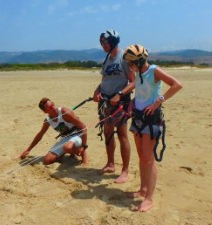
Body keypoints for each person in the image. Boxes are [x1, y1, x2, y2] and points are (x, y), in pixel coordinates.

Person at [123, 44, 183, 212]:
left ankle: (149, 198)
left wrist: (159, 101)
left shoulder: (154, 71)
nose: (129, 67)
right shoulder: (138, 73)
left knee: (148, 160)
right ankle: (143, 189)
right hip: (138, 118)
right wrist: (132, 103)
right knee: (142, 157)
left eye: (130, 63)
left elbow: (177, 84)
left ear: (138, 61)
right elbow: (141, 92)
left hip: (151, 121)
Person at [93, 29, 135, 183]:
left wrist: (119, 94)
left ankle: (125, 170)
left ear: (112, 42)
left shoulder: (124, 58)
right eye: (101, 43)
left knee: (122, 134)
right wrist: (97, 91)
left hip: (120, 104)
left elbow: (133, 82)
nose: (102, 45)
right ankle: (110, 164)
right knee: (108, 132)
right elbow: (104, 79)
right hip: (105, 102)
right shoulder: (107, 60)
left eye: (104, 42)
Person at [20, 97, 88, 165]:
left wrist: (84, 146)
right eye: (49, 107)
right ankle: (67, 152)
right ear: (45, 111)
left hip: (77, 135)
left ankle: (83, 153)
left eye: (52, 104)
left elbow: (84, 128)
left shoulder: (64, 112)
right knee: (47, 161)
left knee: (67, 147)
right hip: (65, 138)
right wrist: (28, 149)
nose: (53, 107)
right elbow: (40, 135)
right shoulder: (47, 121)